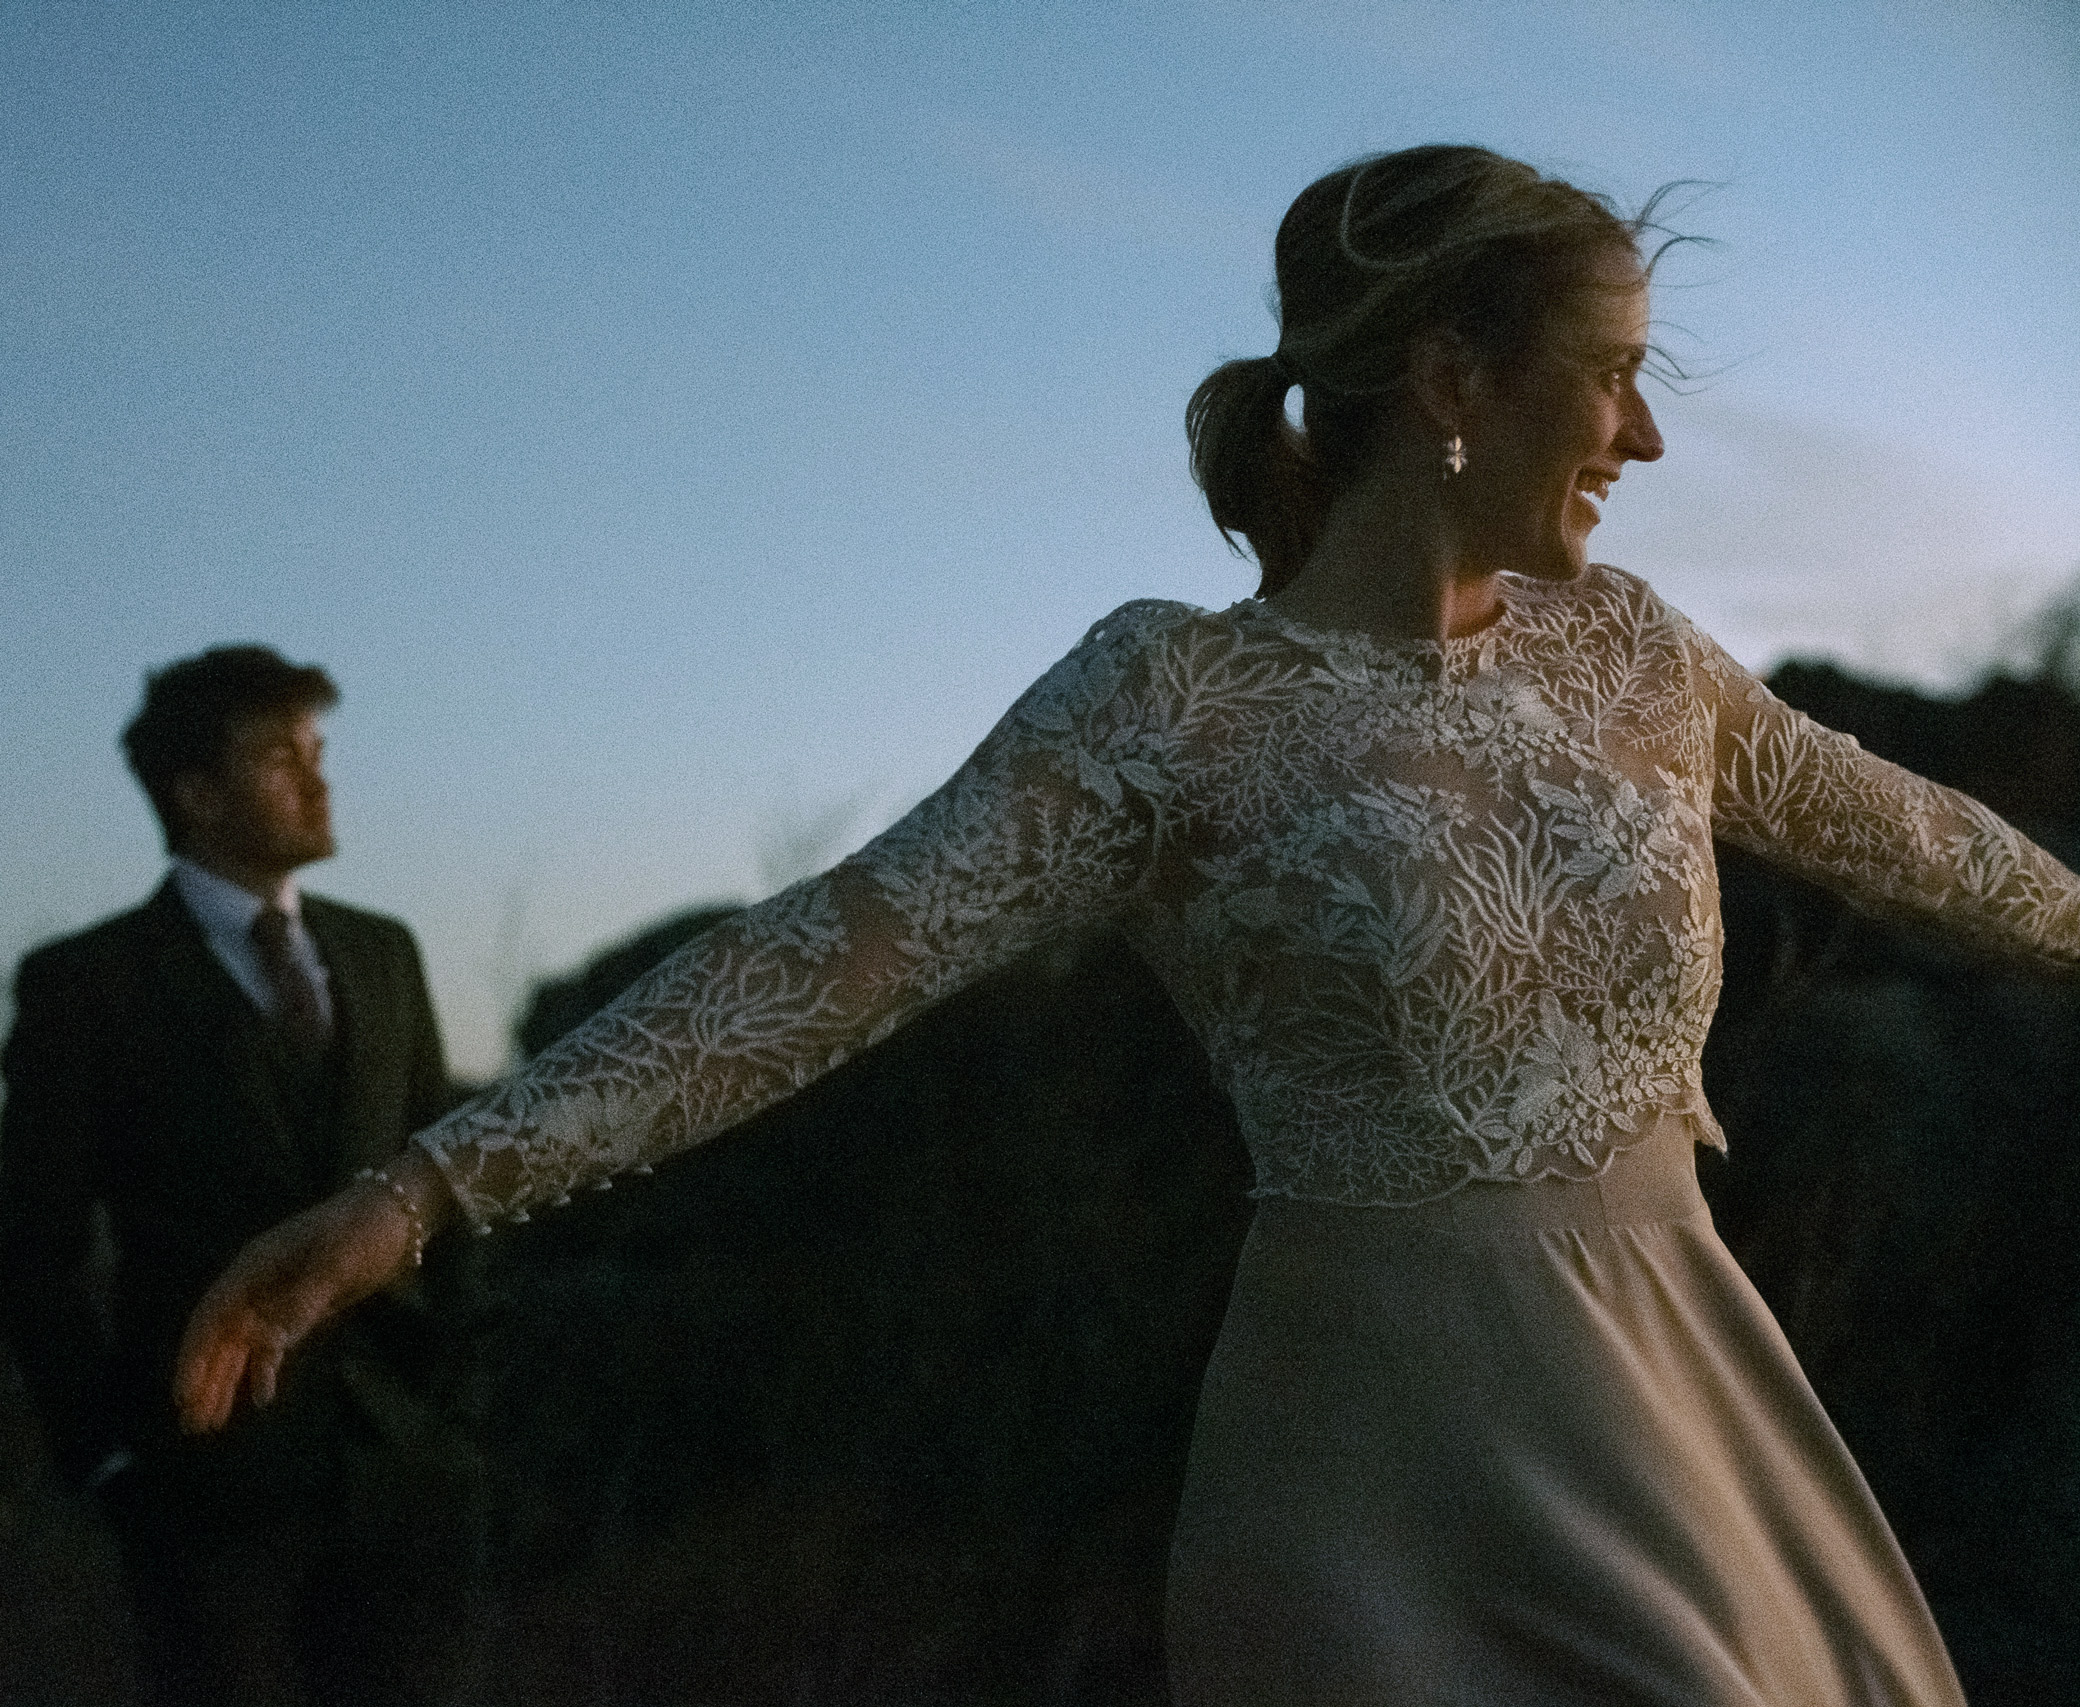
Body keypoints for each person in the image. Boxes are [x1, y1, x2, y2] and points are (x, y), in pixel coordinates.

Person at [174, 148, 2080, 1705]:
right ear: (1451, 375)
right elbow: (835, 952)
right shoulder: (1172, 704)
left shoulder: (1645, 660)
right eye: (1615, 370)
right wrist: (420, 1188)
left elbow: (1935, 848)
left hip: (1684, 1396)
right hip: (1380, 1469)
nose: (1644, 435)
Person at [0, 645, 478, 1707]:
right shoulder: (87, 985)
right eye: (278, 757)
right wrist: (109, 1461)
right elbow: (34, 1253)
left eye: (319, 751)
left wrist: (453, 1403)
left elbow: (447, 1184)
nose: (316, 778)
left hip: (397, 1471)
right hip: (203, 1491)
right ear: (196, 793)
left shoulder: (383, 955)